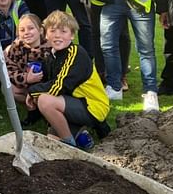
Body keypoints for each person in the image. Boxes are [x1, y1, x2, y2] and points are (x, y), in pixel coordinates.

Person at [27, 11, 111, 148]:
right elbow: (48, 83)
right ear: (46, 34)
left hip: (92, 106)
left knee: (44, 100)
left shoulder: (75, 52)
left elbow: (59, 86)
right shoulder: (52, 55)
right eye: (53, 31)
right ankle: (80, 135)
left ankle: (69, 142)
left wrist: (32, 92)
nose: (57, 35)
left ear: (72, 35)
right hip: (74, 102)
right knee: (51, 139)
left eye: (63, 31)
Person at [4, 13, 51, 127]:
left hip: (48, 87)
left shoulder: (50, 48)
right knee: (9, 90)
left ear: (40, 30)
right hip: (26, 84)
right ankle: (33, 110)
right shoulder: (15, 48)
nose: (26, 32)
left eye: (31, 28)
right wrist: (26, 78)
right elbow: (9, 71)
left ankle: (46, 111)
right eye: (22, 30)